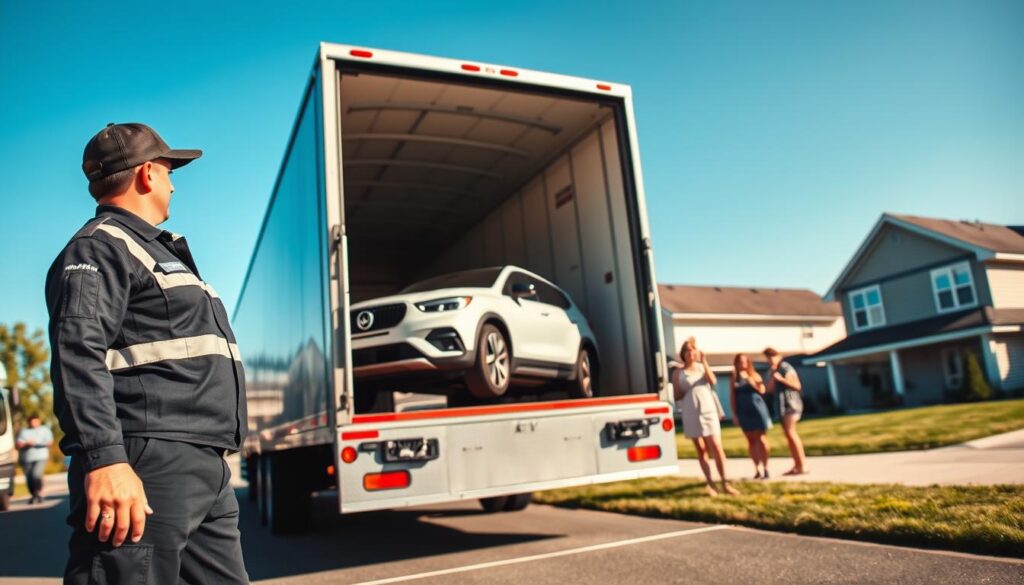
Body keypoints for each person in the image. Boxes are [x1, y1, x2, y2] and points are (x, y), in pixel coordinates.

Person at [46, 123, 249, 583]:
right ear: (148, 174)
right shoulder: (98, 246)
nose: (174, 184)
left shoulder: (152, 251)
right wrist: (106, 460)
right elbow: (76, 353)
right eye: (170, 171)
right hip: (148, 459)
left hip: (202, 464)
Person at [673, 339, 739, 496]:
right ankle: (710, 483)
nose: (690, 353)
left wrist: (705, 362)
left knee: (716, 446)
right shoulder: (678, 372)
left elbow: (713, 381)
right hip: (690, 411)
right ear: (683, 354)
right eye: (687, 350)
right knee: (701, 449)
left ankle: (725, 482)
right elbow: (676, 395)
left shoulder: (702, 368)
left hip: (708, 410)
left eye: (693, 350)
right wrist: (687, 387)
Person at [764, 347, 807, 475]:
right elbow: (769, 390)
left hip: (791, 404)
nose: (771, 359)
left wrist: (781, 379)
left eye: (773, 356)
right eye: (768, 357)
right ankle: (797, 465)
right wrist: (772, 376)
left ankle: (801, 466)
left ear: (779, 355)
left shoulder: (785, 367)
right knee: (788, 436)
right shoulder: (772, 371)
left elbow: (797, 385)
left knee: (791, 433)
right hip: (781, 406)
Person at [729, 355, 772, 479]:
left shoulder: (754, 375)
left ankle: (766, 467)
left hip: (757, 409)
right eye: (739, 362)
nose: (742, 364)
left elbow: (762, 390)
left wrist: (749, 380)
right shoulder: (734, 378)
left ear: (748, 363)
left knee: (761, 439)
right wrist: (734, 414)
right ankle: (757, 469)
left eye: (744, 362)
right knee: (751, 440)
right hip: (743, 411)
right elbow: (732, 396)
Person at [15, 415, 54, 503]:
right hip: (27, 458)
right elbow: (18, 444)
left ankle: (39, 493)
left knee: (36, 475)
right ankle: (33, 495)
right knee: (29, 477)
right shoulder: (24, 432)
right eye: (32, 422)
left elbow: (50, 442)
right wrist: (26, 443)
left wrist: (36, 444)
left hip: (41, 456)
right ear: (28, 422)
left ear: (39, 421)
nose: (34, 423)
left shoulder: (44, 429)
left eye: (36, 421)